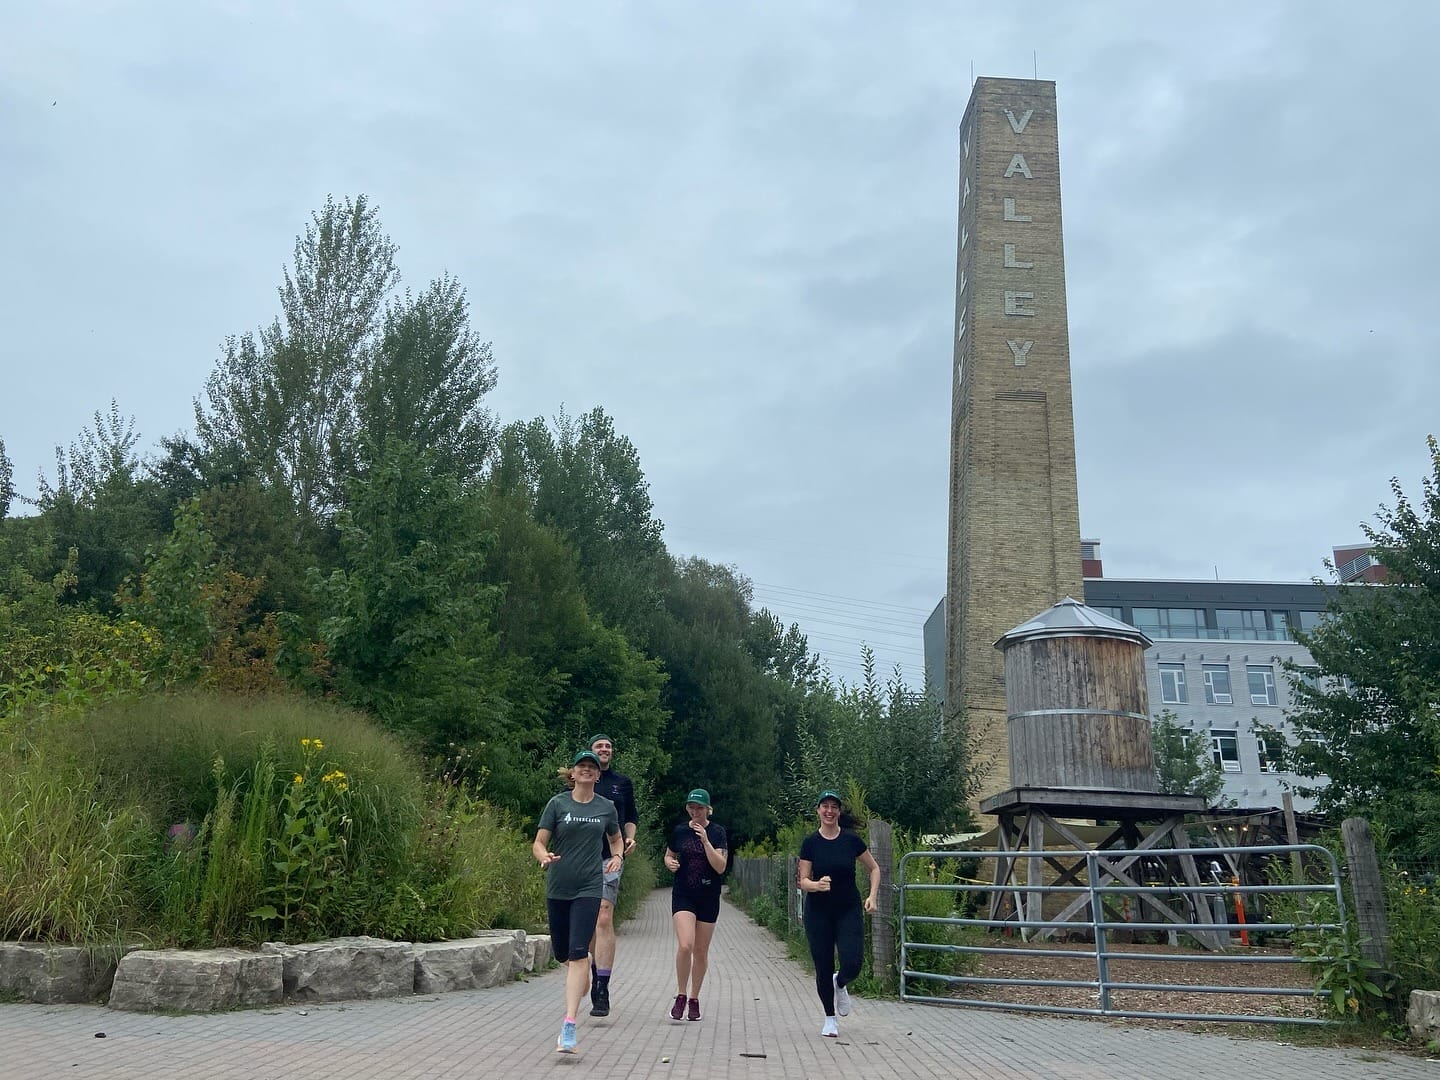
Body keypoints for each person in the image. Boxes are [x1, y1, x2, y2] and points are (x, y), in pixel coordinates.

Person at [533, 749, 623, 1054]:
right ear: (573, 773)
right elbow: (539, 841)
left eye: (592, 767)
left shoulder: (606, 807)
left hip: (589, 887)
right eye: (581, 766)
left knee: (579, 955)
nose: (586, 770)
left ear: (598, 775)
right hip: (558, 887)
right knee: (563, 954)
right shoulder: (557, 804)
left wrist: (618, 856)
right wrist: (543, 856)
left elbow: (616, 839)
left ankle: (569, 1025)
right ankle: (580, 981)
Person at [796, 789, 881, 1038]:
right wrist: (816, 885)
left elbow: (874, 868)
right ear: (818, 811)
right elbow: (803, 881)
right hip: (819, 912)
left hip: (848, 909)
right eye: (825, 806)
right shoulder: (810, 843)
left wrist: (872, 896)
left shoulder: (851, 841)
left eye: (834, 806)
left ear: (839, 811)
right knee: (823, 965)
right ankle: (829, 1018)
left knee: (853, 963)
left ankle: (841, 982)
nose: (829, 811)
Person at [662, 787, 728, 1022]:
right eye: (691, 807)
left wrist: (706, 841)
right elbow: (669, 854)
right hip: (684, 894)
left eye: (699, 808)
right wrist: (670, 862)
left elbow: (720, 866)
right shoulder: (680, 831)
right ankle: (680, 994)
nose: (695, 812)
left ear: (708, 809)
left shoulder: (718, 832)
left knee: (700, 951)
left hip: (708, 895)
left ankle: (694, 998)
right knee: (685, 945)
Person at [586, 733, 638, 1017]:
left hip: (611, 858)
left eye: (608, 746)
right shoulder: (582, 777)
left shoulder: (622, 783)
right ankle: (594, 970)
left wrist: (629, 840)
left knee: (605, 916)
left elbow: (631, 816)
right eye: (599, 746)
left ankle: (603, 986)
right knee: (591, 920)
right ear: (591, 752)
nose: (604, 750)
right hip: (583, 859)